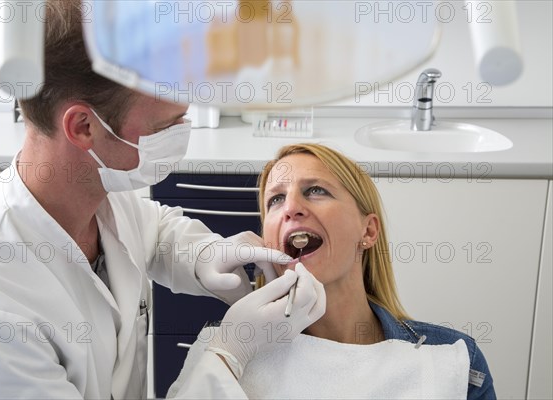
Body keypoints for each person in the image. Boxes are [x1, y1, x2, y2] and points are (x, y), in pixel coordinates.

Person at [0, 2, 325, 399]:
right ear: (83, 127)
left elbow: (152, 229)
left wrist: (205, 255)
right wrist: (229, 353)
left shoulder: (95, 191)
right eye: (164, 126)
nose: (182, 134)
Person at [169, 143, 496, 399]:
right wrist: (229, 354)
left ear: (367, 232)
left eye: (315, 190)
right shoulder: (226, 352)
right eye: (275, 200)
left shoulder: (450, 359)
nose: (291, 208)